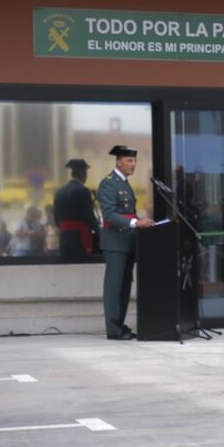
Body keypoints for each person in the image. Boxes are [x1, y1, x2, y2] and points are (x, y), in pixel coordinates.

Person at [99, 143, 153, 338]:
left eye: (135, 160)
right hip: (115, 243)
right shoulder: (108, 183)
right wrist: (136, 223)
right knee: (114, 287)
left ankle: (120, 325)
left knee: (124, 287)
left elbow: (129, 212)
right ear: (119, 161)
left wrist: (141, 222)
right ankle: (113, 329)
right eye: (129, 160)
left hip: (127, 241)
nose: (133, 164)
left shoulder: (124, 183)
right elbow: (110, 214)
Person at [55, 158, 101, 260]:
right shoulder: (83, 191)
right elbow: (89, 217)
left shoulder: (59, 192)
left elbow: (57, 221)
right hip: (80, 239)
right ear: (84, 174)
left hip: (64, 239)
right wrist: (101, 234)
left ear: (72, 174)